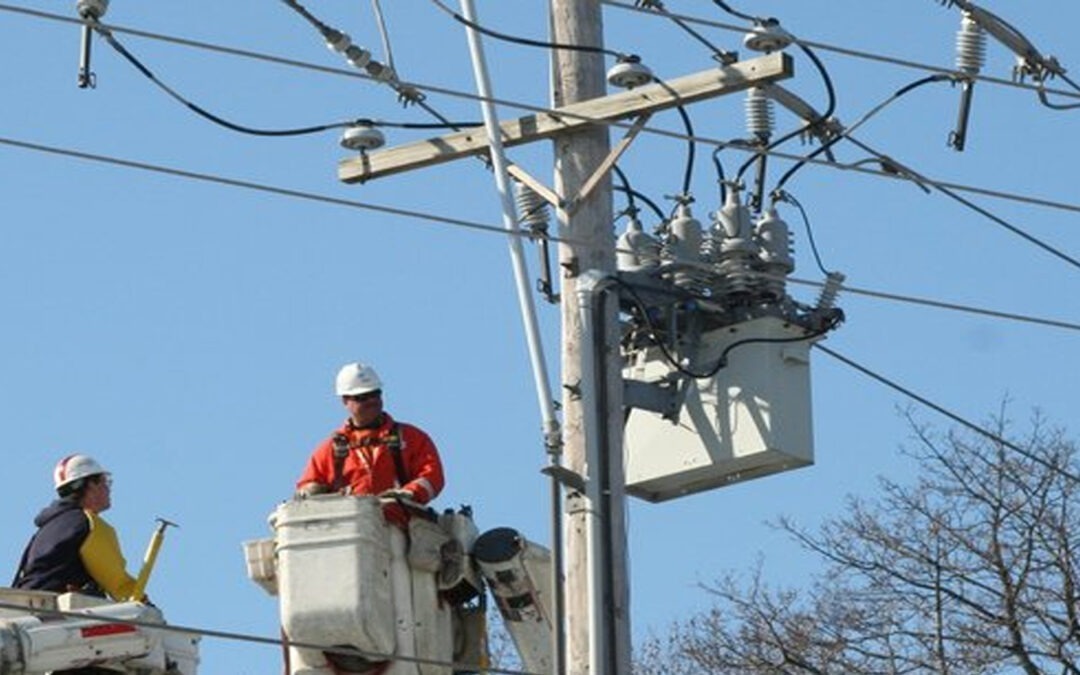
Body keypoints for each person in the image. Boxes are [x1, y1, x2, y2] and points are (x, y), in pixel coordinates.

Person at [296, 362, 445, 521]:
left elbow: (432, 476)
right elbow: (307, 490)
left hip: (402, 525)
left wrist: (410, 492)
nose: (371, 401)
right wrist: (311, 493)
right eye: (362, 397)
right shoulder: (330, 451)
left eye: (375, 394)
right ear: (345, 401)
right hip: (351, 529)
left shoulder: (411, 438)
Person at [12, 454, 142, 602]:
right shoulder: (88, 523)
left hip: (25, 609)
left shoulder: (44, 531)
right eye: (105, 482)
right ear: (92, 485)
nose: (108, 489)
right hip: (59, 615)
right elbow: (118, 583)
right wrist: (144, 604)